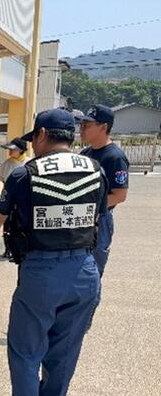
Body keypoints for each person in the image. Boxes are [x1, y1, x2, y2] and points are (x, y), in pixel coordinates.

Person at [0, 109, 107, 396]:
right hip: (84, 270)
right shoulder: (95, 169)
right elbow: (100, 215)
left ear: (41, 135)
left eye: (33, 138)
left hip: (42, 272)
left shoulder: (26, 173)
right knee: (64, 352)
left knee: (25, 351)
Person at [78, 104, 130, 276]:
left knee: (93, 267)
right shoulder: (85, 154)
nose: (81, 129)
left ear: (103, 127)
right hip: (80, 216)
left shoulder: (115, 157)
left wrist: (91, 208)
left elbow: (120, 195)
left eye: (87, 125)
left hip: (100, 219)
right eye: (81, 125)